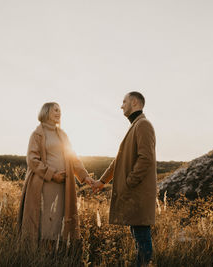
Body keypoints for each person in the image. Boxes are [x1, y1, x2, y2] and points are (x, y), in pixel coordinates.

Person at [92, 92, 157, 266]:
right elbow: (118, 161)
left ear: (134, 102)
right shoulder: (136, 125)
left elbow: (146, 158)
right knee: (138, 238)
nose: (121, 105)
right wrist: (102, 181)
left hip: (138, 194)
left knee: (142, 240)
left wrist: (129, 182)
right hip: (134, 195)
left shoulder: (143, 125)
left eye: (124, 101)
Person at [17, 102, 94, 246]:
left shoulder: (63, 135)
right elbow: (32, 160)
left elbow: (73, 157)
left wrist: (85, 176)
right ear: (46, 112)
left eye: (60, 111)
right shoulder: (37, 134)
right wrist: (53, 175)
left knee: (59, 220)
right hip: (44, 185)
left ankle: (57, 253)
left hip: (63, 185)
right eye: (55, 110)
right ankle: (40, 253)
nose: (59, 113)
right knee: (45, 220)